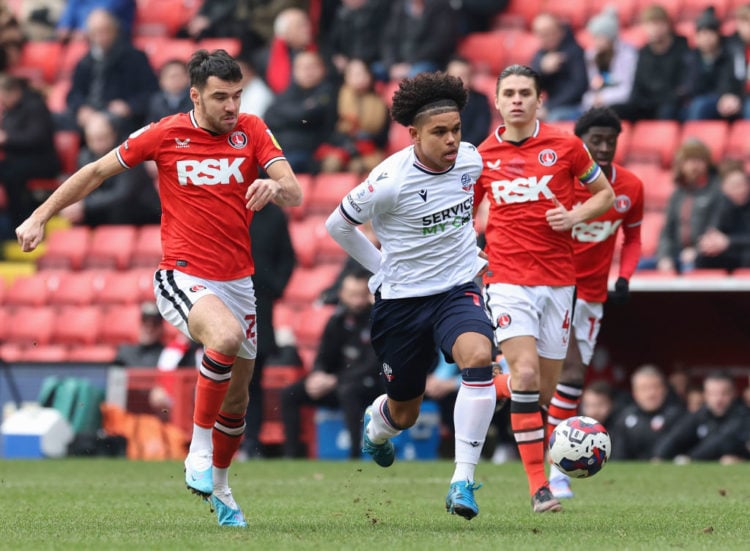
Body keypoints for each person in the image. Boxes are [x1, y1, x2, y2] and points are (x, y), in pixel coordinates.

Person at [16, 49, 303, 527]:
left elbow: (294, 189)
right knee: (225, 338)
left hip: (239, 280)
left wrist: (275, 188)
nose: (231, 106)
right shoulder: (165, 133)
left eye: (236, 95)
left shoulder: (251, 128)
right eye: (220, 98)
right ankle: (197, 448)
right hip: (183, 273)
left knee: (238, 399)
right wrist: (40, 215)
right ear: (196, 96)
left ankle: (223, 488)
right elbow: (95, 172)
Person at [325, 72, 497, 520]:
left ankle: (462, 479)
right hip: (401, 302)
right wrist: (380, 267)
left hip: (457, 289)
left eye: (457, 129)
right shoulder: (388, 181)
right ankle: (378, 426)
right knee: (404, 413)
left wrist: (475, 244)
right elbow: (337, 225)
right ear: (414, 134)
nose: (452, 140)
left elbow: (471, 202)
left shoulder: (471, 161)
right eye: (440, 132)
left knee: (478, 356)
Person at [476, 64, 614, 513]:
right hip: (507, 280)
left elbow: (605, 195)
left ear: (540, 101)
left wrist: (575, 217)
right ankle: (540, 488)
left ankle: (485, 383)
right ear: (497, 101)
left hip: (558, 282)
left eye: (525, 93)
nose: (516, 99)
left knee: (542, 392)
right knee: (530, 378)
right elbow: (465, 215)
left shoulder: (567, 146)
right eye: (509, 93)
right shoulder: (480, 157)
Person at [536, 106, 643, 499]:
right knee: (573, 375)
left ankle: (549, 462)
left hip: (593, 296)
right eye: (594, 140)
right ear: (580, 143)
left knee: (557, 384)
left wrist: (625, 276)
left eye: (609, 141)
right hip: (554, 287)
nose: (602, 147)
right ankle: (556, 470)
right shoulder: (561, 183)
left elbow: (632, 237)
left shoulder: (630, 186)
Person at [281, 269, 383, 458]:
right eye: (352, 295)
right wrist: (317, 375)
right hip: (335, 383)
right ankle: (291, 455)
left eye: (361, 296)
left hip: (368, 386)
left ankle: (355, 454)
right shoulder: (336, 320)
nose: (357, 301)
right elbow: (323, 356)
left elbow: (373, 365)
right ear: (343, 294)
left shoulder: (376, 321)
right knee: (290, 394)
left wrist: (335, 380)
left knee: (348, 391)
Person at [241, 202, 296, 459]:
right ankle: (214, 440)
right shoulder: (224, 205)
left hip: (259, 304)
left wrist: (273, 286)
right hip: (221, 298)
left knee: (253, 378)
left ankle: (250, 442)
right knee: (219, 375)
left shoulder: (273, 214)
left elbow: (287, 257)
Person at [61, 8, 158, 133]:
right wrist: (81, 108)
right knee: (53, 120)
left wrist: (129, 106)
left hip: (119, 116)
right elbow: (73, 94)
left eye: (105, 31)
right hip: (90, 112)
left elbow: (151, 92)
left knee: (105, 124)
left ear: (115, 30)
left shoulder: (135, 57)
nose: (101, 37)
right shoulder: (85, 61)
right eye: (95, 32)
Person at [59, 111, 161, 226]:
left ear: (113, 134)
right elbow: (85, 187)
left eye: (101, 138)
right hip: (108, 212)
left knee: (118, 208)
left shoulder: (128, 153)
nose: (97, 145)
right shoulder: (85, 156)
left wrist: (85, 205)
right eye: (92, 140)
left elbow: (122, 194)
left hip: (140, 213)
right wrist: (74, 205)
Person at [0, 74, 60, 238]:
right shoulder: (11, 110)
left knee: (10, 174)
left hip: (42, 161)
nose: (2, 102)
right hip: (18, 161)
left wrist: (7, 138)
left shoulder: (35, 106)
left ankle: (20, 222)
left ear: (13, 92)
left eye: (3, 97)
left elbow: (37, 138)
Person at [655, 139, 723, 273]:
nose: (694, 166)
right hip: (677, 254)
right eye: (689, 161)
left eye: (699, 160)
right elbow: (667, 232)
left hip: (705, 257)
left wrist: (697, 251)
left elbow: (717, 228)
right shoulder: (678, 194)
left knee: (689, 269)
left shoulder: (716, 191)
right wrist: (664, 257)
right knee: (638, 269)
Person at [612, 4, 690, 121]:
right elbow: (637, 86)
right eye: (649, 24)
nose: (654, 29)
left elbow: (684, 84)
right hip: (647, 103)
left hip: (671, 102)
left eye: (658, 23)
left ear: (667, 25)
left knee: (666, 111)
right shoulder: (643, 53)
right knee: (614, 111)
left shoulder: (682, 49)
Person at [264, 51, 337, 174]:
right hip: (282, 151)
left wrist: (293, 116)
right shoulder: (289, 91)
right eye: (302, 67)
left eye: (311, 67)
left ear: (322, 69)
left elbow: (306, 117)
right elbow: (269, 117)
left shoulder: (328, 92)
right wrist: (300, 115)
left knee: (283, 167)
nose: (307, 72)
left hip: (309, 154)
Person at [652, 371, 750, 463]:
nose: (718, 399)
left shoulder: (743, 415)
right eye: (713, 393)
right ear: (706, 395)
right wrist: (659, 456)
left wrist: (689, 459)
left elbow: (721, 441)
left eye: (724, 393)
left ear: (734, 393)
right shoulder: (701, 414)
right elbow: (676, 436)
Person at [316, 58, 390, 174]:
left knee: (358, 166)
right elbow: (327, 131)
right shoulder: (336, 99)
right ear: (346, 77)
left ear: (369, 75)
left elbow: (383, 138)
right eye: (354, 74)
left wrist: (366, 139)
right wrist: (347, 142)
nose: (358, 77)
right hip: (340, 147)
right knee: (332, 164)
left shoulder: (380, 103)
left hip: (369, 150)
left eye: (362, 73)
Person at [609, 364, 685, 461]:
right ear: (635, 393)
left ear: (665, 390)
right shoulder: (624, 417)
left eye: (655, 387)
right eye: (644, 388)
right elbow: (618, 457)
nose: (651, 393)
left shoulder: (678, 416)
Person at [682, 6, 743, 121]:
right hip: (700, 99)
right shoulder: (691, 58)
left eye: (710, 33)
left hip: (726, 97)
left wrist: (725, 96)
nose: (706, 38)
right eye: (702, 34)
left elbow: (733, 81)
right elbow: (690, 86)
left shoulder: (730, 53)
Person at [377, 0, 459, 82]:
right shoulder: (400, 6)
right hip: (398, 62)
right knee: (376, 70)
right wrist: (391, 65)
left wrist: (409, 63)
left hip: (428, 60)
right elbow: (389, 40)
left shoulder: (441, 6)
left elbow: (440, 43)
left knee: (415, 75)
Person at [530, 13, 588, 121]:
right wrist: (542, 70)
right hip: (552, 104)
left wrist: (549, 107)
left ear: (560, 31)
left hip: (576, 105)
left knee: (554, 118)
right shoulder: (540, 55)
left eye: (549, 33)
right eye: (542, 35)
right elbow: (532, 84)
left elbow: (579, 87)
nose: (546, 38)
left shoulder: (575, 51)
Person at [580, 6, 637, 112]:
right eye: (595, 38)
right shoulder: (591, 55)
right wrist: (592, 99)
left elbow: (626, 89)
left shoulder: (627, 55)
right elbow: (593, 86)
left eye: (600, 37)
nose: (596, 42)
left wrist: (604, 98)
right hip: (596, 104)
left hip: (620, 105)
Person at [696, 161, 750, 271]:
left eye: (744, 184)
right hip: (729, 255)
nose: (741, 189)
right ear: (723, 187)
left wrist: (729, 242)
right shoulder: (719, 205)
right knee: (703, 257)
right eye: (735, 186)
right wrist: (708, 243)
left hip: (745, 253)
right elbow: (711, 231)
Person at [445, 56, 491, 147]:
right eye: (454, 76)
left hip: (469, 150)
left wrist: (459, 148)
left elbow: (480, 131)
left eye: (464, 76)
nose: (459, 81)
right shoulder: (436, 101)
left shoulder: (480, 100)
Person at [112, 301, 167, 367]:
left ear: (161, 327)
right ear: (139, 324)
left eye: (155, 324)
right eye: (144, 322)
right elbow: (114, 375)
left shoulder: (169, 355)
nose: (149, 329)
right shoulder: (125, 352)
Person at [145, 59, 193, 124]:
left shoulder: (195, 99)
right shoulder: (155, 101)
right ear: (161, 81)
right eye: (172, 77)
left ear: (188, 78)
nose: (176, 80)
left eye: (179, 76)